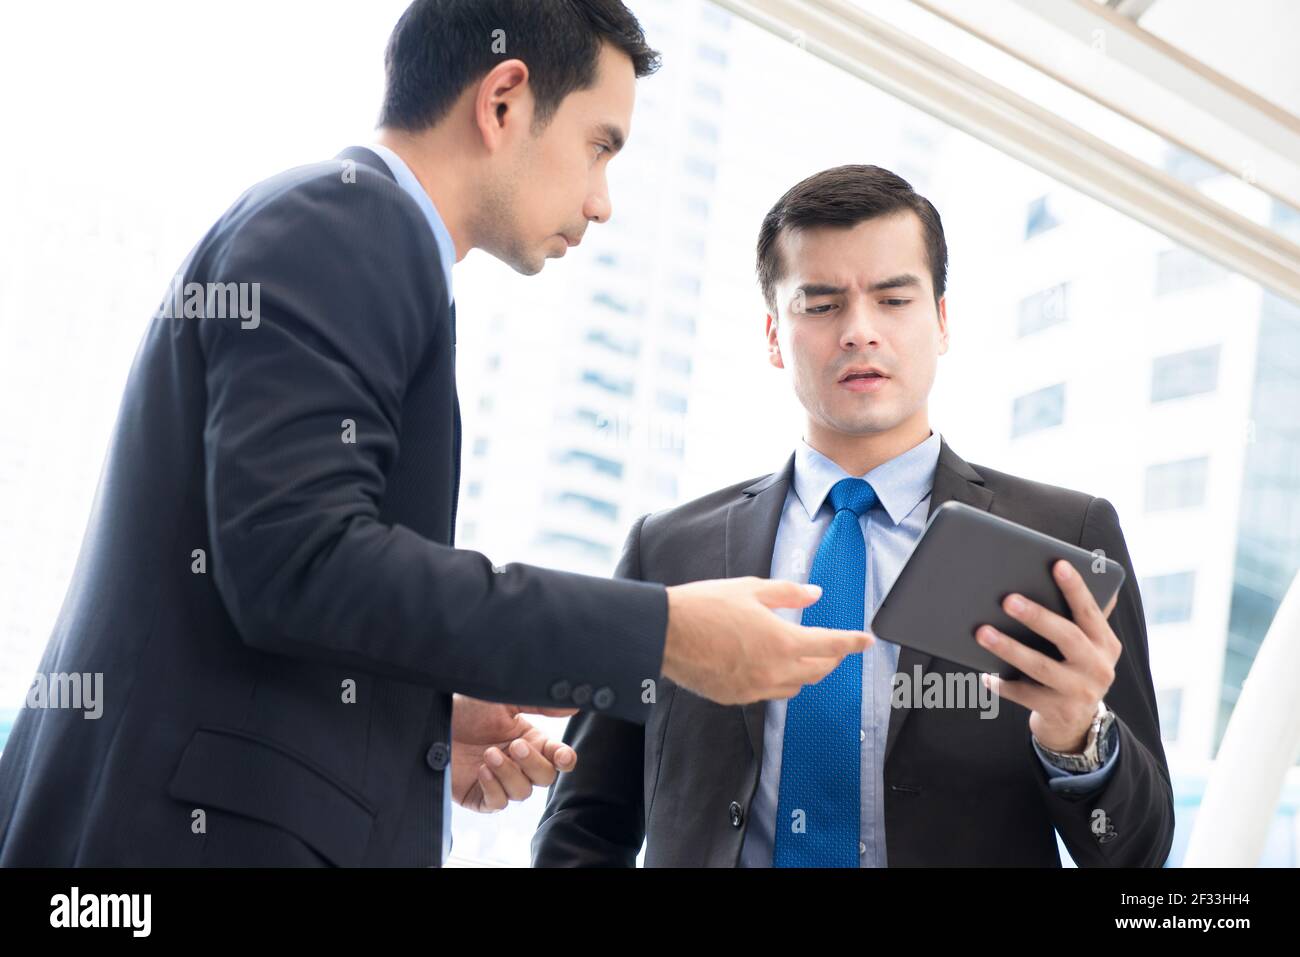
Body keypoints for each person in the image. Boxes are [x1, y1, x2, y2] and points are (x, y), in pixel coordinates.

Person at [0, 1, 869, 867]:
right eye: (600, 147)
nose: (602, 202)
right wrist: (666, 633)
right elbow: (299, 556)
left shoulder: (351, 232)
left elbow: (276, 583)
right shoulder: (348, 224)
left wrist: (408, 714)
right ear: (503, 102)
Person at [532, 164, 1175, 867]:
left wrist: (1080, 735)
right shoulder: (670, 552)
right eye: (822, 304)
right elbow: (585, 820)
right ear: (775, 336)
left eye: (894, 299)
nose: (859, 331)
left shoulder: (1061, 540)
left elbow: (1136, 852)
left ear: (942, 320)